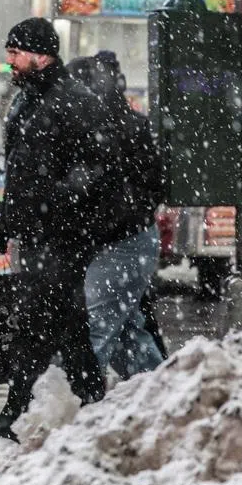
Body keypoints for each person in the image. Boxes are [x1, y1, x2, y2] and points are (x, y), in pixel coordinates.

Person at [0, 18, 114, 443]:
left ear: (41, 55)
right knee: (68, 324)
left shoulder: (74, 101)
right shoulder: (26, 102)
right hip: (38, 233)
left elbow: (97, 168)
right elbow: (19, 176)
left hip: (65, 235)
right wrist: (5, 222)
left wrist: (56, 199)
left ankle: (14, 412)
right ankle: (94, 401)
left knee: (37, 322)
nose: (10, 61)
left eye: (16, 53)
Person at [66, 52, 165, 379]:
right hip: (123, 238)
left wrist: (111, 216)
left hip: (120, 241)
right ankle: (159, 390)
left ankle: (74, 406)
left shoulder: (102, 132)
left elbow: (147, 186)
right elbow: (153, 186)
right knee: (127, 332)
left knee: (96, 330)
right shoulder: (119, 125)